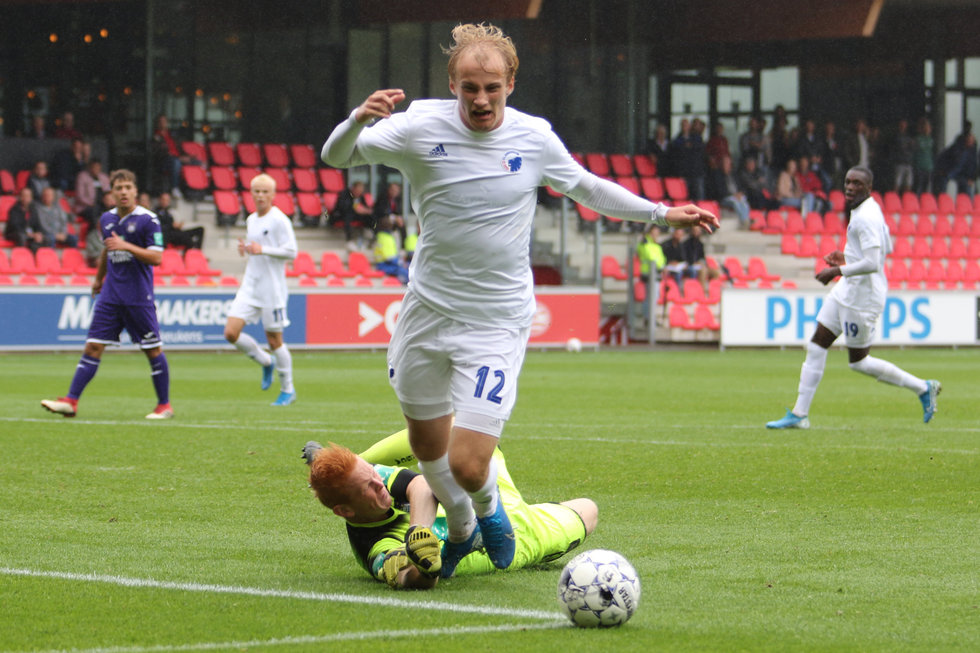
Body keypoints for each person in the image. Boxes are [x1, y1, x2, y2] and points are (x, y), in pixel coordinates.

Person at [322, 22, 718, 579]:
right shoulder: (417, 127)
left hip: (496, 320)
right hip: (426, 312)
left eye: (491, 88)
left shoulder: (534, 137)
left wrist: (659, 212)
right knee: (429, 451)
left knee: (467, 461)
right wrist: (358, 120)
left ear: (511, 82)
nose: (480, 100)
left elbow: (585, 186)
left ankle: (490, 516)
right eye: (468, 88)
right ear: (453, 84)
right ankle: (460, 529)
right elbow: (335, 156)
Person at [302, 429, 597, 589]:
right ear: (345, 511)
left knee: (453, 430)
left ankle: (356, 457)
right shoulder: (375, 546)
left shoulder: (378, 480)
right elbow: (406, 577)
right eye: (367, 487)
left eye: (373, 474)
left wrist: (419, 530)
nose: (380, 484)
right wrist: (425, 569)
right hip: (516, 538)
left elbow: (421, 486)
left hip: (480, 492)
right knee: (588, 510)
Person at [766, 167, 940, 430]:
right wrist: (846, 259)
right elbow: (886, 249)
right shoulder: (870, 208)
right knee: (816, 345)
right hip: (847, 290)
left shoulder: (865, 217)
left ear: (868, 187)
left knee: (859, 362)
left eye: (857, 183)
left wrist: (836, 270)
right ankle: (799, 414)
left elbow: (873, 262)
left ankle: (923, 387)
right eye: (847, 182)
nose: (850, 187)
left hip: (863, 298)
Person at [41, 169, 173, 420]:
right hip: (111, 295)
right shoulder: (106, 219)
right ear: (111, 192)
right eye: (118, 188)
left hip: (137, 297)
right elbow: (107, 249)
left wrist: (127, 246)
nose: (123, 192)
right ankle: (71, 401)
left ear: (135, 191)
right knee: (92, 346)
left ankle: (164, 405)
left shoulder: (149, 220)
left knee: (152, 350)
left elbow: (156, 257)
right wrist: (98, 278)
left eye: (127, 187)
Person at [223, 173, 298, 407]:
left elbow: (291, 251)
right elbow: (256, 248)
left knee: (275, 340)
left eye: (265, 191)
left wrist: (262, 249)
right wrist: (247, 248)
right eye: (257, 191)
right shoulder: (251, 219)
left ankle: (288, 389)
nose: (261, 195)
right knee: (230, 333)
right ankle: (266, 362)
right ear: (251, 193)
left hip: (272, 289)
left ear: (273, 195)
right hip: (250, 286)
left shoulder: (279, 220)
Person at [329, 180, 374, 250]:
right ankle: (349, 240)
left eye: (360, 191)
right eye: (357, 191)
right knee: (348, 215)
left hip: (356, 215)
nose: (359, 193)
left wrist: (365, 210)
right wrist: (355, 208)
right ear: (353, 188)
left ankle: (372, 237)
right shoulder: (344, 194)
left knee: (370, 216)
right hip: (341, 215)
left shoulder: (360, 196)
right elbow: (342, 207)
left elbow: (364, 207)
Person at [4, 187, 45, 253]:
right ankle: (20, 257)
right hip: (14, 233)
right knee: (21, 236)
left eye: (28, 196)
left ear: (31, 198)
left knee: (45, 238)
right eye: (24, 196)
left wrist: (38, 233)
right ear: (20, 197)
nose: (26, 198)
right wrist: (28, 234)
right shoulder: (14, 209)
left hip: (30, 234)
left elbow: (38, 225)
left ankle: (34, 260)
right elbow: (15, 226)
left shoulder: (33, 210)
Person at [682, 224, 720, 293]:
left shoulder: (700, 244)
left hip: (700, 265)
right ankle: (703, 291)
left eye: (698, 230)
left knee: (716, 272)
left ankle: (714, 290)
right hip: (691, 266)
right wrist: (693, 263)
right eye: (695, 230)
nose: (697, 232)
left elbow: (702, 257)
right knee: (703, 271)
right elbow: (684, 258)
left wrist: (702, 262)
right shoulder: (686, 244)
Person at [372, 215, 409, 284]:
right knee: (404, 271)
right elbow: (388, 257)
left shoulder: (386, 236)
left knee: (409, 266)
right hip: (383, 265)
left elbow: (393, 254)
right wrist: (401, 263)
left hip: (390, 263)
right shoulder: (384, 238)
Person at [80, 190, 112, 267]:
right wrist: (102, 254)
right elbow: (90, 252)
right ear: (98, 224)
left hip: (110, 257)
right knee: (100, 261)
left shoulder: (112, 235)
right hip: (98, 258)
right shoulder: (91, 236)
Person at [372, 181, 407, 246]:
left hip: (392, 218)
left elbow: (398, 212)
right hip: (381, 218)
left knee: (402, 222)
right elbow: (382, 212)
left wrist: (398, 218)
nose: (394, 192)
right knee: (389, 221)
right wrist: (395, 218)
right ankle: (386, 238)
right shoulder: (383, 197)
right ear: (389, 190)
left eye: (396, 191)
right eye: (392, 190)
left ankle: (404, 244)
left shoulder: (397, 200)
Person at [912, 117, 934, 195]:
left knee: (927, 188)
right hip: (919, 166)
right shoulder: (918, 139)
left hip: (928, 167)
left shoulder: (931, 140)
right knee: (919, 187)